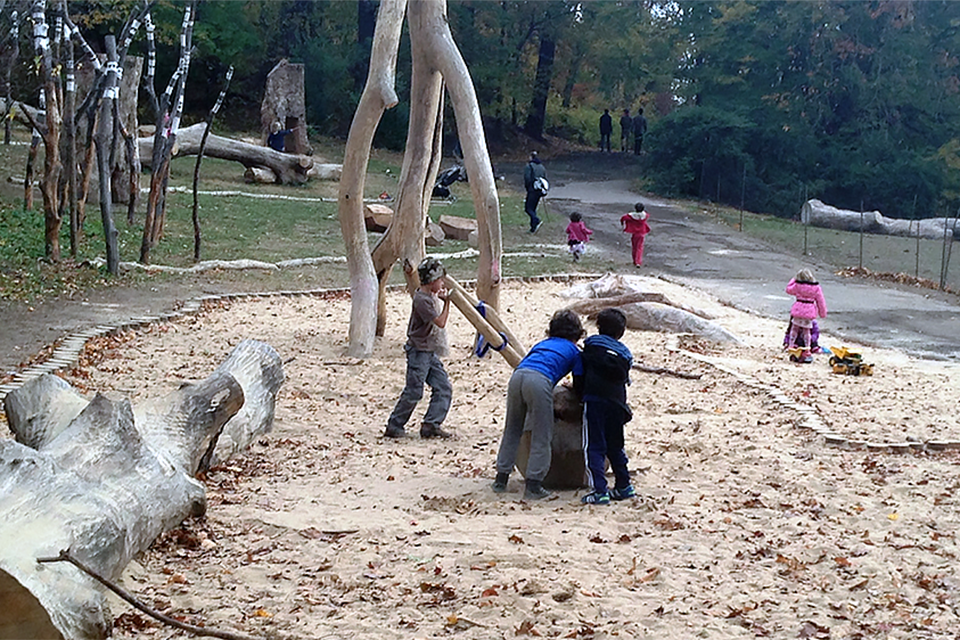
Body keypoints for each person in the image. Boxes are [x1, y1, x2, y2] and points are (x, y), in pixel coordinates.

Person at [492, 310, 585, 500]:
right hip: (540, 381)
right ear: (576, 334)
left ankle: (501, 478)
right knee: (542, 432)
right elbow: (580, 381)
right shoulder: (575, 351)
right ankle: (534, 484)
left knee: (512, 428)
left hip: (518, 376)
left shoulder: (542, 344)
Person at [384, 257, 454, 439]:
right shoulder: (422, 300)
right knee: (414, 391)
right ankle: (395, 425)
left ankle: (431, 424)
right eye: (440, 280)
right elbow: (440, 322)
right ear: (432, 282)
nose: (442, 283)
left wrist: (439, 296)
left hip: (428, 352)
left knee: (443, 387)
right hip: (418, 352)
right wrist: (448, 302)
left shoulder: (429, 296)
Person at [580, 308, 636, 505]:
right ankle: (624, 485)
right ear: (621, 332)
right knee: (616, 445)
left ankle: (599, 491)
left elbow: (581, 371)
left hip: (595, 400)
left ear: (598, 327)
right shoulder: (625, 354)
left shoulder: (591, 345)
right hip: (617, 403)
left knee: (594, 445)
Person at [785, 269, 828, 363]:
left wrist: (793, 280)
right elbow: (821, 301)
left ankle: (791, 345)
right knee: (806, 330)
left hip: (798, 309)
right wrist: (823, 313)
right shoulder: (816, 287)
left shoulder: (797, 286)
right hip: (809, 310)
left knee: (794, 328)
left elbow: (788, 289)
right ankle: (807, 347)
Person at [523, 151, 548, 233]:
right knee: (533, 208)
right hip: (539, 190)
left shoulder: (529, 166)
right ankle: (533, 227)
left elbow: (527, 178)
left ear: (531, 157)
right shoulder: (542, 167)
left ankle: (536, 220)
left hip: (532, 189)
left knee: (528, 208)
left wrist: (528, 187)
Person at [620, 202, 651, 267]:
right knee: (639, 247)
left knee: (634, 247)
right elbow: (647, 215)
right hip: (642, 233)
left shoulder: (631, 216)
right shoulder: (645, 215)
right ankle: (638, 262)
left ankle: (635, 260)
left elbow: (623, 218)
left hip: (634, 233)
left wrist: (623, 224)